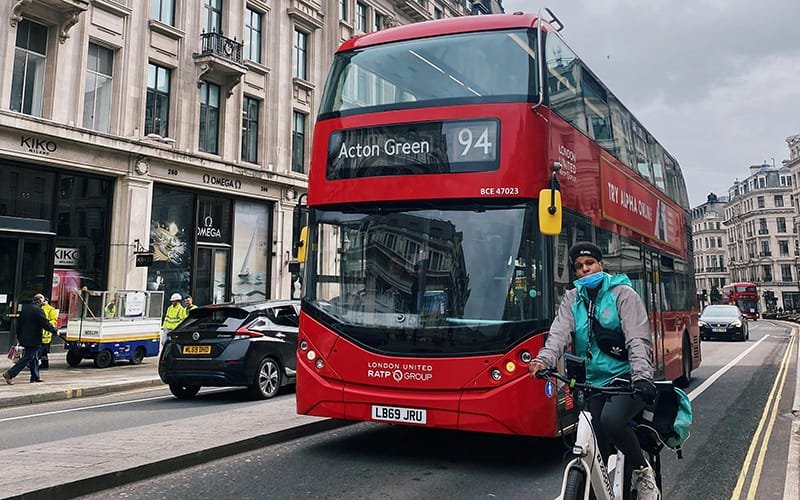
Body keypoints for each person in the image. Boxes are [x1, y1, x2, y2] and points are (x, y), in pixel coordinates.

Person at [528, 242, 660, 500]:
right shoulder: (572, 298)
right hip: (591, 382)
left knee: (612, 420)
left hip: (626, 379)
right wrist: (543, 360)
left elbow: (637, 339)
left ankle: (642, 474)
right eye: (579, 267)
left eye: (589, 263)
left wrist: (642, 376)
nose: (585, 269)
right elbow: (558, 334)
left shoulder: (623, 294)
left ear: (601, 264)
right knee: (594, 443)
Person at [3, 294, 58, 384]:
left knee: (34, 357)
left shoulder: (25, 309)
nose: (44, 303)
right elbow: (45, 324)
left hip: (24, 338)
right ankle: (10, 374)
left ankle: (35, 377)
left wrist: (19, 336)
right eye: (43, 301)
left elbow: (19, 325)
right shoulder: (38, 310)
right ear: (40, 301)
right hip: (34, 339)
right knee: (29, 357)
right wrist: (55, 331)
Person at [39, 296, 58, 369]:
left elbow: (54, 320)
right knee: (43, 351)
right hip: (40, 333)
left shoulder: (50, 309)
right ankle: (44, 364)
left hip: (46, 333)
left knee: (43, 350)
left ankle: (44, 364)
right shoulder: (39, 308)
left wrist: (47, 325)